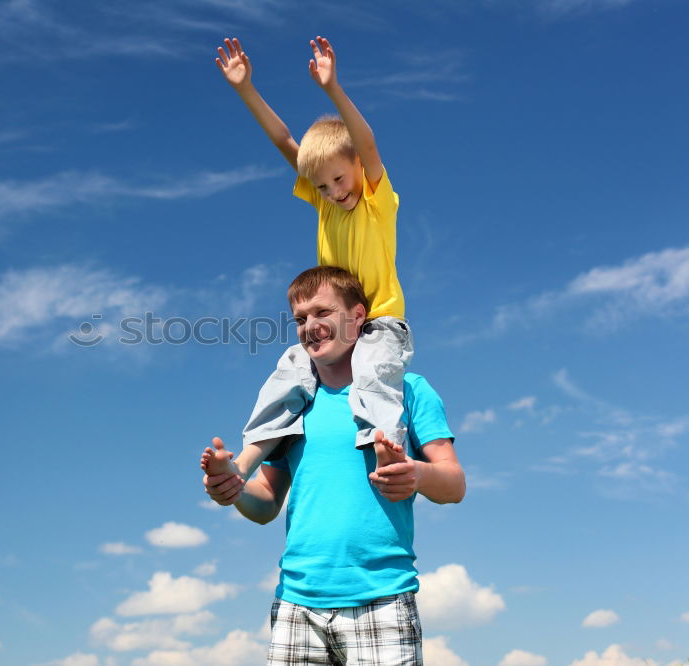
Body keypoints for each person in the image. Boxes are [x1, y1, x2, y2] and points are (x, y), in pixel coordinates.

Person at [203, 267, 465, 666]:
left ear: (358, 316)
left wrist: (417, 474)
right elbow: (267, 503)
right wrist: (233, 488)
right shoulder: (292, 403)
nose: (310, 327)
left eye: (323, 313)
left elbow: (454, 484)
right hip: (296, 606)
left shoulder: (408, 390)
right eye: (300, 319)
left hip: (381, 600)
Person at [210, 36, 413, 484]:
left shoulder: (375, 201)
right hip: (334, 325)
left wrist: (333, 89)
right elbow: (286, 142)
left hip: (378, 322)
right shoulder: (325, 203)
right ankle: (243, 464)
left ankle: (385, 450)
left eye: (339, 178)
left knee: (372, 370)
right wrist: (246, 89)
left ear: (356, 165)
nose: (334, 192)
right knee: (288, 372)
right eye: (322, 187)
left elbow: (368, 142)